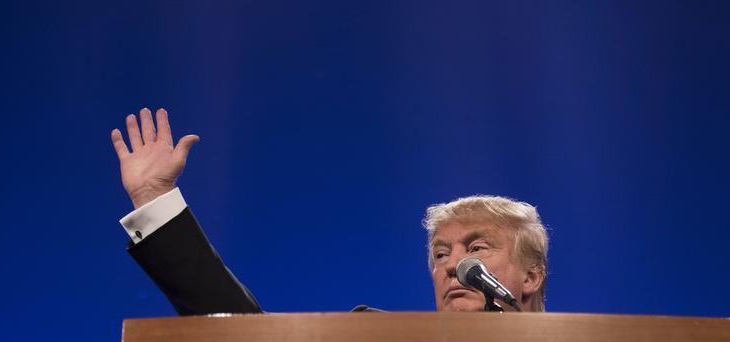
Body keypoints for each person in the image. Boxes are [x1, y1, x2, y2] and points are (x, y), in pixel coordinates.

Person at [111, 107, 549, 315]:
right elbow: (240, 338)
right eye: (439, 254)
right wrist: (155, 197)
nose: (453, 265)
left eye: (476, 248)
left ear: (531, 275)